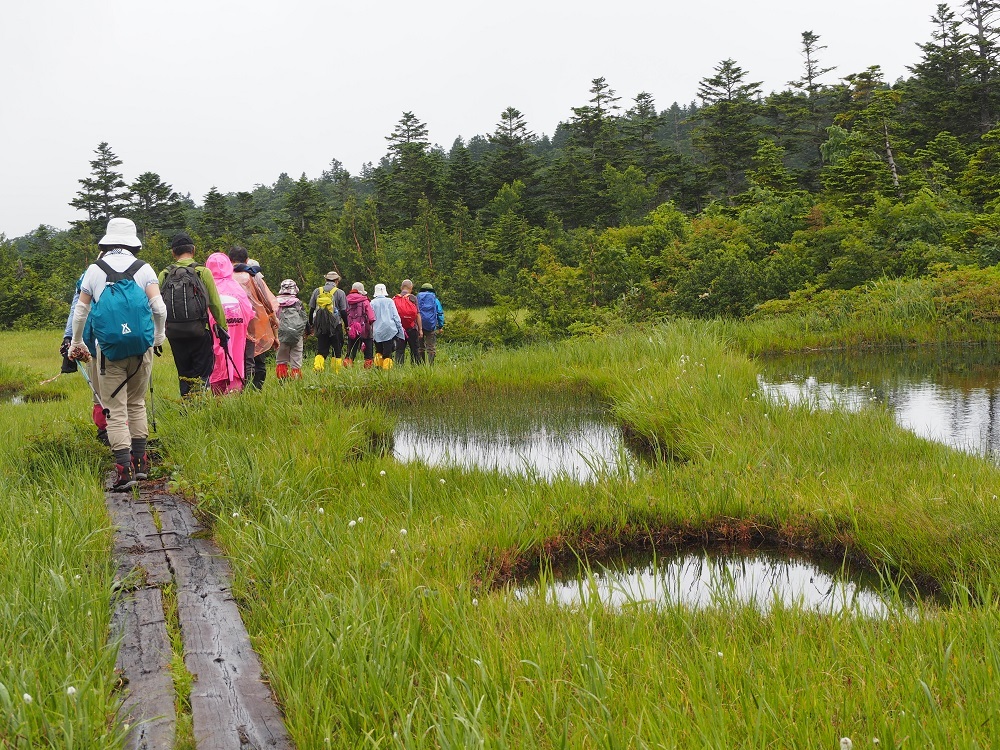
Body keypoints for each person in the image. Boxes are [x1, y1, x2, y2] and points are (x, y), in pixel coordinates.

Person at [67, 218, 166, 491]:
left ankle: (124, 472)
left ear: (107, 241)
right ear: (132, 242)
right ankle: (142, 464)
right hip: (141, 349)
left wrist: (77, 341)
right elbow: (159, 308)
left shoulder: (94, 270)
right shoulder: (144, 269)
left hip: (108, 351)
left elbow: (81, 311)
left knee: (115, 408)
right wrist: (158, 337)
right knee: (136, 404)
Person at [157, 233, 228, 397]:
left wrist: (156, 333)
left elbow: (155, 306)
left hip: (174, 334)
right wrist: (222, 328)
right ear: (193, 250)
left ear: (173, 253)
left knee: (183, 372)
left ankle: (186, 405)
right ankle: (200, 406)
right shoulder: (203, 272)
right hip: (199, 331)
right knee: (202, 373)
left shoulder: (165, 274)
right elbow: (215, 304)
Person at [61, 264, 109, 445]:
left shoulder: (90, 273)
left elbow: (78, 308)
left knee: (98, 390)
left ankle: (104, 431)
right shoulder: (137, 269)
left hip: (96, 341)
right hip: (130, 342)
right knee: (127, 391)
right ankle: (131, 437)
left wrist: (70, 338)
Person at [229, 246, 278, 390]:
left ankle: (232, 388)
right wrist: (274, 321)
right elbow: (266, 301)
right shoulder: (252, 276)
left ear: (229, 260)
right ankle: (249, 390)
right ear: (247, 260)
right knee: (249, 358)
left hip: (228, 323)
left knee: (232, 355)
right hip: (251, 323)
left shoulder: (224, 277)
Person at [206, 253, 254, 394]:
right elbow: (248, 311)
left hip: (216, 331)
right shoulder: (236, 287)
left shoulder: (209, 286)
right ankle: (234, 397)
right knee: (236, 359)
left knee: (219, 362)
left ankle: (219, 400)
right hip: (237, 331)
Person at [307, 270, 347, 372]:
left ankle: (318, 367)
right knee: (337, 349)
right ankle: (335, 372)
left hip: (320, 325)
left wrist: (311, 324)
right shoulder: (340, 292)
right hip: (335, 325)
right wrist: (346, 325)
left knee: (321, 349)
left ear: (326, 279)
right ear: (337, 280)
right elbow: (343, 311)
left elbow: (311, 310)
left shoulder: (317, 291)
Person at [275, 279, 307, 379]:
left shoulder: (275, 302)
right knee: (296, 358)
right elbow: (304, 318)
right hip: (296, 335)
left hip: (281, 334)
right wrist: (306, 332)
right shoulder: (297, 302)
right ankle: (296, 380)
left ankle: (282, 381)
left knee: (281, 359)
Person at [370, 283, 405, 370]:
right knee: (388, 352)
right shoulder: (390, 301)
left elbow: (370, 318)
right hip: (390, 329)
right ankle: (387, 371)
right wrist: (400, 329)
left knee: (378, 351)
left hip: (377, 331)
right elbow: (396, 317)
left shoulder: (372, 303)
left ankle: (378, 369)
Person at [344, 282, 375, 368]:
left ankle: (348, 366)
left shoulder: (346, 300)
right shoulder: (365, 300)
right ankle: (367, 368)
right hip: (365, 329)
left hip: (352, 329)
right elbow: (371, 317)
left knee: (351, 349)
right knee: (369, 350)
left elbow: (343, 313)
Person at [392, 279, 422, 365]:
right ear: (411, 288)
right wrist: (420, 329)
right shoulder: (413, 298)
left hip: (400, 329)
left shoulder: (394, 298)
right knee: (415, 349)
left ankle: (399, 368)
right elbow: (417, 314)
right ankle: (416, 367)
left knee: (400, 350)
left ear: (401, 287)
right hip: (412, 328)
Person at [416, 282, 444, 365]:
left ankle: (421, 365)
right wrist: (440, 326)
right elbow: (439, 313)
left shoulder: (417, 299)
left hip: (419, 325)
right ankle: (431, 366)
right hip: (431, 326)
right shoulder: (435, 299)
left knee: (420, 347)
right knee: (431, 347)